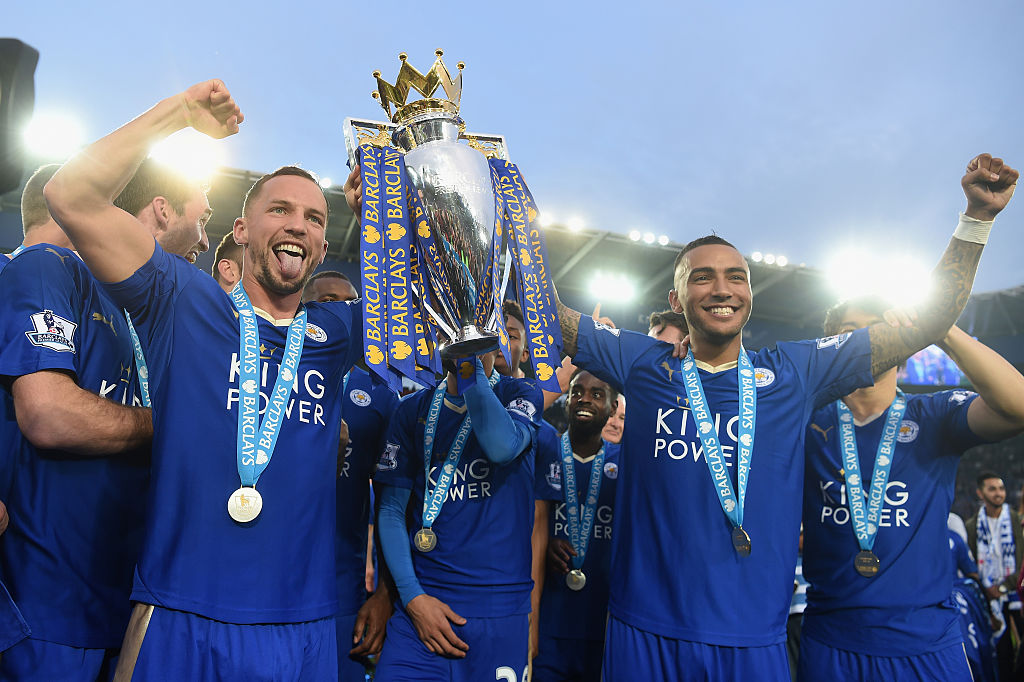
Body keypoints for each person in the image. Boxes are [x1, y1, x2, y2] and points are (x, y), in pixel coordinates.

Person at [549, 152, 1017, 679]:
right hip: (643, 632)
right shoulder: (643, 362)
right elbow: (544, 310)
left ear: (749, 293)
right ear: (677, 299)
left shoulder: (797, 372)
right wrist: (489, 213)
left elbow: (929, 318)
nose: (721, 288)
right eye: (701, 278)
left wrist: (976, 218)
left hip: (754, 642)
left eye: (736, 277)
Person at [44, 80, 361, 680]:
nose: (298, 225)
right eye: (280, 210)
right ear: (241, 231)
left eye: (315, 218)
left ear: (323, 244)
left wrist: (382, 212)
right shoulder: (183, 300)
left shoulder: (336, 333)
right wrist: (177, 114)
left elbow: (442, 296)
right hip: (180, 614)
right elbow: (72, 195)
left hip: (303, 628)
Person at [0, 161, 184, 680]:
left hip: (103, 592)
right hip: (44, 597)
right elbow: (48, 413)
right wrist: (171, 428)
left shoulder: (109, 302)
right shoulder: (42, 265)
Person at [799, 296, 1024, 681]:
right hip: (832, 642)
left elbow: (1016, 406)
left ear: (905, 346)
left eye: (880, 327)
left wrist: (943, 330)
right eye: (851, 332)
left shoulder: (935, 415)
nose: (868, 338)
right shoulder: (804, 422)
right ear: (832, 348)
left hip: (927, 642)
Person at [373, 352, 543, 682]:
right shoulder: (412, 409)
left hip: (498, 612)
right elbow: (392, 510)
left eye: (480, 340)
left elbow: (501, 447)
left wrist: (468, 365)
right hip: (422, 609)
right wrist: (412, 598)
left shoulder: (520, 393)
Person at [303, 272, 397, 681]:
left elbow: (394, 502)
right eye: (329, 302)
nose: (342, 311)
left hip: (341, 589)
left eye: (350, 303)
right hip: (266, 579)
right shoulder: (269, 370)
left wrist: (384, 594)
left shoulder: (379, 393)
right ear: (308, 310)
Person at [532, 370, 620, 682]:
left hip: (606, 629)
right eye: (577, 391)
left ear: (612, 408)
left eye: (597, 394)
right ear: (567, 400)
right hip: (548, 629)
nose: (584, 398)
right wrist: (544, 544)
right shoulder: (544, 451)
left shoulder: (625, 463)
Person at [967, 471, 1024, 680]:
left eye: (1001, 488)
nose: (998, 493)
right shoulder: (971, 526)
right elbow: (970, 564)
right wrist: (987, 590)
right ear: (980, 493)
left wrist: (1000, 589)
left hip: (1016, 595)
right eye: (992, 489)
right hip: (989, 600)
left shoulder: (1017, 521)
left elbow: (1021, 560)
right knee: (1002, 654)